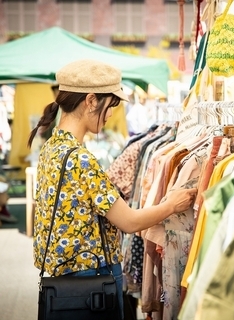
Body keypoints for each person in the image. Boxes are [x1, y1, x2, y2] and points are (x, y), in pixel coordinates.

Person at [27, 59, 197, 319]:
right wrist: (172, 204)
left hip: (63, 282)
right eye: (111, 105)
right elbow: (128, 222)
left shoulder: (52, 148)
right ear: (92, 101)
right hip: (93, 284)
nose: (110, 115)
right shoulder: (80, 159)